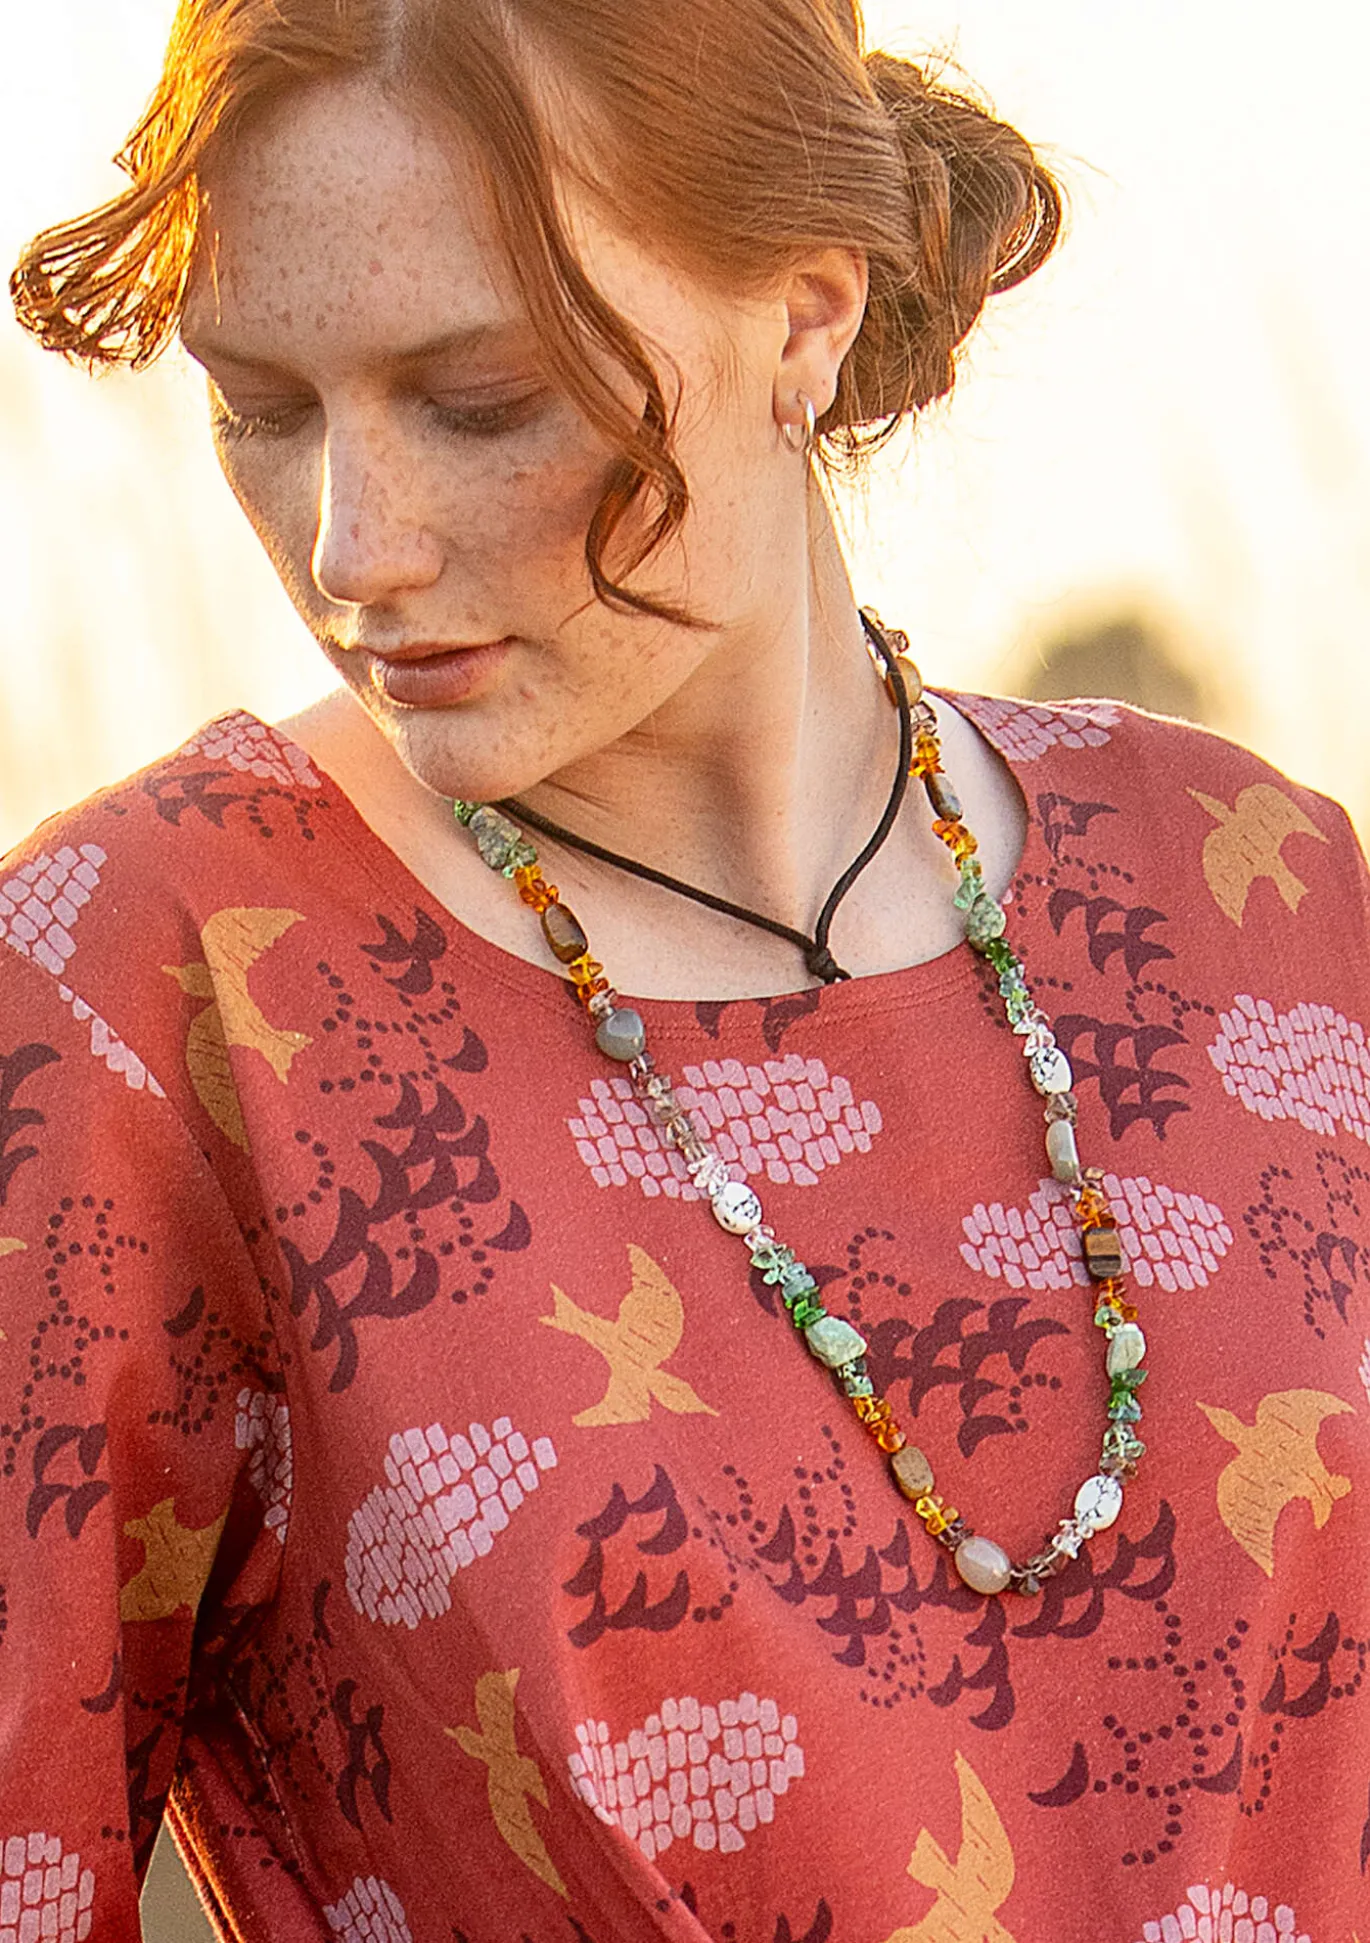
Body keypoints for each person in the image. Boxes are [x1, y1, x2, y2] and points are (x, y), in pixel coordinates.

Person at [3, 2, 1368, 1937]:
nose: (353, 544)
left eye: (479, 400)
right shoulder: (149, 991)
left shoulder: (1260, 891)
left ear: (804, 313)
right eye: (263, 406)